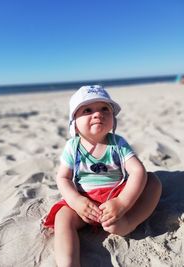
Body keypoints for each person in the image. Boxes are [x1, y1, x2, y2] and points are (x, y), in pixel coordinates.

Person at [43, 85, 162, 267]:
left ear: (113, 120)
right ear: (74, 122)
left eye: (104, 109)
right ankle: (68, 263)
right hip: (85, 201)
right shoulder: (72, 147)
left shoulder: (118, 144)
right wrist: (76, 201)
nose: (98, 114)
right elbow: (63, 178)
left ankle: (130, 222)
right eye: (88, 110)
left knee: (153, 181)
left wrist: (123, 203)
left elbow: (138, 171)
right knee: (62, 218)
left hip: (116, 196)